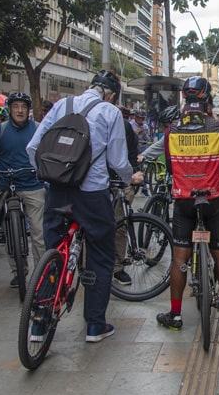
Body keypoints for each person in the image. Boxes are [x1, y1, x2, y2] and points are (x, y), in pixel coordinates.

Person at [27, 70, 143, 343]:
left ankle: (38, 325)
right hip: (92, 195)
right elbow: (117, 159)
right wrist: (131, 177)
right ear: (112, 94)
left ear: (90, 86)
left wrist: (48, 178)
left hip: (57, 192)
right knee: (101, 256)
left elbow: (33, 148)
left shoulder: (61, 105)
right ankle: (94, 325)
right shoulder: (109, 112)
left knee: (53, 252)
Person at [156, 76, 219, 331]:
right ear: (207, 98)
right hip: (214, 200)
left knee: (179, 259)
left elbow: (171, 167)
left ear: (185, 99)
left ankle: (175, 316)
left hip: (184, 201)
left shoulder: (171, 128)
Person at [0, 92, 45, 289]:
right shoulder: (0, 131)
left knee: (39, 233)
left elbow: (45, 155)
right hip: (7, 186)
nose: (20, 110)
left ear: (28, 109)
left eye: (23, 106)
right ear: (10, 109)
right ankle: (18, 271)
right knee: (11, 233)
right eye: (16, 106)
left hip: (33, 186)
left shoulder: (38, 129)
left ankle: (43, 272)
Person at [111, 102, 139, 287]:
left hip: (120, 183)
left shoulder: (125, 127)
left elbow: (132, 154)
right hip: (96, 184)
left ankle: (117, 267)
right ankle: (86, 267)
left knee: (120, 225)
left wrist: (132, 177)